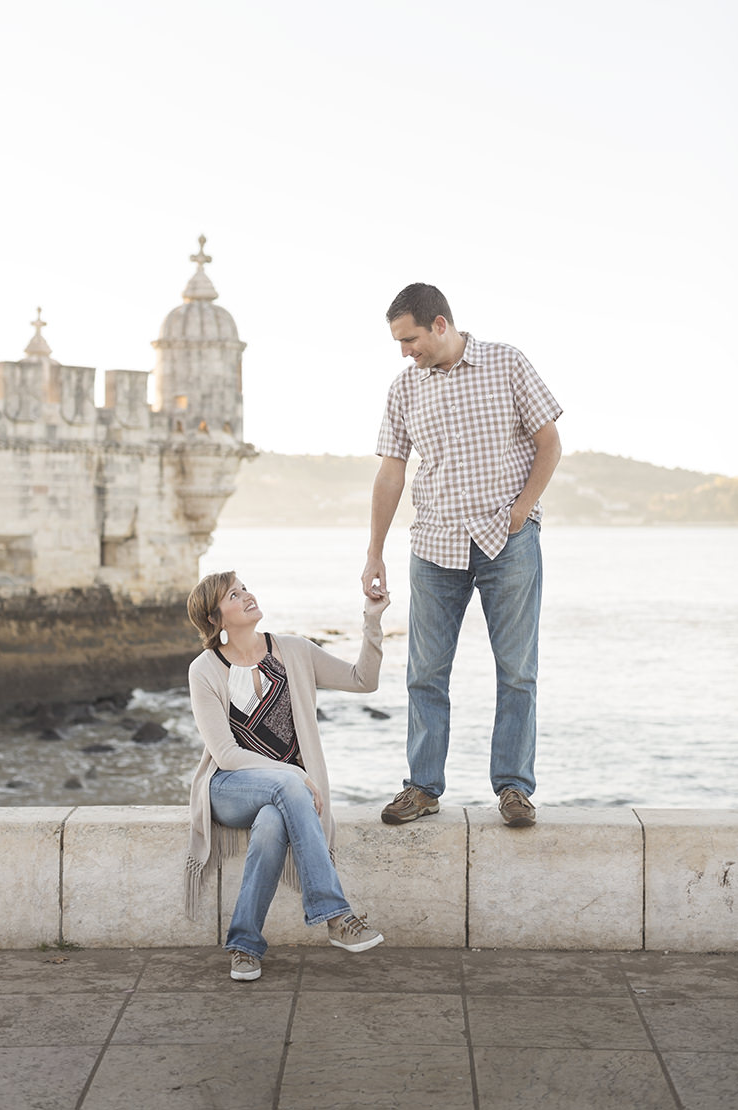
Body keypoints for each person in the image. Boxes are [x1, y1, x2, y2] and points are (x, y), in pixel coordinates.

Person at [363, 283, 562, 829]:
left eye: (410, 339)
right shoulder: (404, 389)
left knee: (517, 671)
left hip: (508, 540)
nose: (406, 351)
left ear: (440, 324)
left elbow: (550, 443)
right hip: (434, 544)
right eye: (400, 343)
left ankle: (515, 789)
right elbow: (391, 472)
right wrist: (374, 552)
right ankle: (422, 787)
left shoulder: (507, 363)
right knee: (425, 672)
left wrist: (523, 509)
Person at [184, 570, 388, 981]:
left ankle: (244, 946)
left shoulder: (293, 650)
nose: (247, 596)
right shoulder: (204, 669)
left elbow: (362, 681)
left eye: (245, 589)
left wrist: (373, 620)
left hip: (283, 796)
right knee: (288, 783)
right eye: (233, 595)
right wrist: (293, 774)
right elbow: (225, 754)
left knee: (273, 823)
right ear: (215, 619)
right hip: (229, 788)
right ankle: (335, 916)